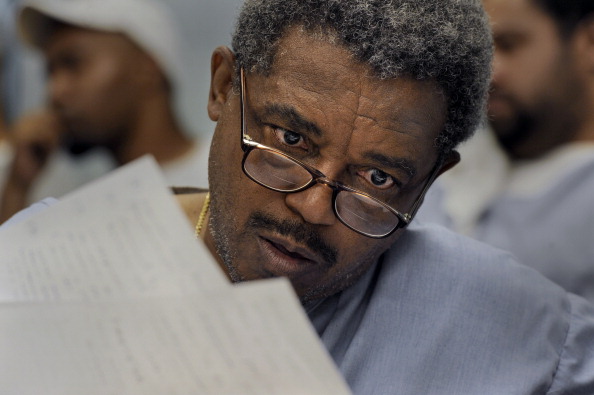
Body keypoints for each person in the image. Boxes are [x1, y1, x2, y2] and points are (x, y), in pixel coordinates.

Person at [5, 0, 594, 393]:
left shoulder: (503, 319)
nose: (312, 208)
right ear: (220, 89)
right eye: (289, 140)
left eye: (377, 180)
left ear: (432, 180)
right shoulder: (43, 262)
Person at [417, 0, 594, 302]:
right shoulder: (445, 136)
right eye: (477, 50)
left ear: (588, 42)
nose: (488, 73)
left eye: (509, 45)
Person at [0, 0, 210, 223]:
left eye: (72, 64)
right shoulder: (87, 208)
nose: (55, 91)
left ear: (147, 68)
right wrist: (18, 187)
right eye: (50, 72)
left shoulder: (235, 173)